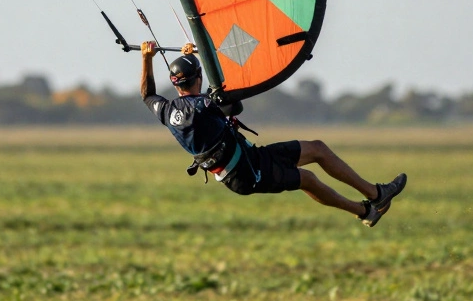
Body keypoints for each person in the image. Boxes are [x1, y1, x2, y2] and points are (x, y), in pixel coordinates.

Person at [140, 40, 407, 226]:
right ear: (198, 78)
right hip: (244, 174)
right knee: (307, 178)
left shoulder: (167, 111)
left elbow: (148, 94)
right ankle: (365, 211)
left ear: (176, 85)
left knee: (317, 148)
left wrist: (146, 59)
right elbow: (234, 104)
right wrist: (200, 58)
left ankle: (376, 194)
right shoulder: (204, 106)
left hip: (251, 157)